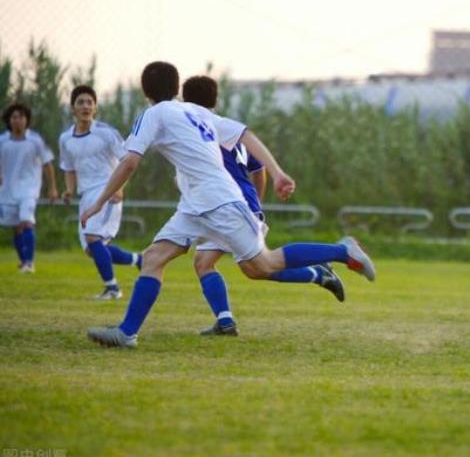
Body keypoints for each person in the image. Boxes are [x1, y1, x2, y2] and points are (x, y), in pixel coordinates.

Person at [82, 61, 375, 348]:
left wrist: (98, 202)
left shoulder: (154, 113)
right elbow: (246, 134)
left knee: (263, 265)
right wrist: (277, 173)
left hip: (220, 201)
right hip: (194, 205)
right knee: (154, 257)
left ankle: (341, 251)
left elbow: (130, 162)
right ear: (175, 87)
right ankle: (127, 332)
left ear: (146, 92)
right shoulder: (196, 112)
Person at [182, 75, 345, 336]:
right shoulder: (225, 131)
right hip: (239, 204)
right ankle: (225, 322)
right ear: (215, 100)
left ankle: (324, 265)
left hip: (230, 206)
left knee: (259, 266)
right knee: (213, 263)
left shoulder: (201, 133)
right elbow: (258, 170)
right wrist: (256, 203)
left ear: (183, 101)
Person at [59, 85, 142, 299]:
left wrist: (120, 188)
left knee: (92, 237)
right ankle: (139, 260)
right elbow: (68, 168)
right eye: (81, 102)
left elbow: (127, 161)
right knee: (92, 249)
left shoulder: (106, 133)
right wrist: (69, 190)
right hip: (86, 195)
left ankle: (112, 288)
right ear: (72, 108)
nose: (86, 106)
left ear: (95, 108)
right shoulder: (65, 139)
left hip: (108, 190)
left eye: (89, 102)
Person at [0, 103, 58, 273]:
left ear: (27, 120)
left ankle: (29, 263)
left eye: (21, 117)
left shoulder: (35, 140)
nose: (18, 120)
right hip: (7, 190)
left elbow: (48, 164)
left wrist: (52, 188)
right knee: (16, 226)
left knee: (26, 221)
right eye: (14, 117)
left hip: (29, 190)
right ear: (9, 120)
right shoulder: (3, 140)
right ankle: (24, 261)